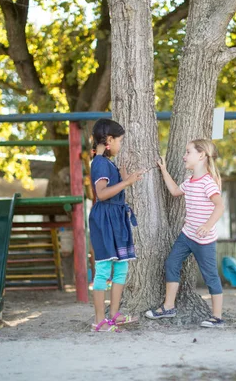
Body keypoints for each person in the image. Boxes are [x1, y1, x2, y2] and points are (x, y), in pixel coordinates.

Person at [145, 139, 226, 328]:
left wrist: (208, 225)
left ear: (201, 156)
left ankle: (217, 317)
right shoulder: (190, 181)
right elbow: (174, 191)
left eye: (188, 152)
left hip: (204, 240)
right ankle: (168, 307)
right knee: (172, 263)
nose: (184, 156)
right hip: (187, 235)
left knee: (210, 276)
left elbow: (220, 206)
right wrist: (164, 171)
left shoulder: (208, 182)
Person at [89, 118, 144, 332]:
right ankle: (99, 320)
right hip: (104, 220)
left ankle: (114, 314)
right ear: (109, 139)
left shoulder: (107, 162)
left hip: (117, 219)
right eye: (120, 141)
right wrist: (126, 182)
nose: (121, 145)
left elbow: (113, 188)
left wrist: (123, 178)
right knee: (103, 268)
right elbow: (101, 194)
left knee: (121, 266)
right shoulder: (100, 162)